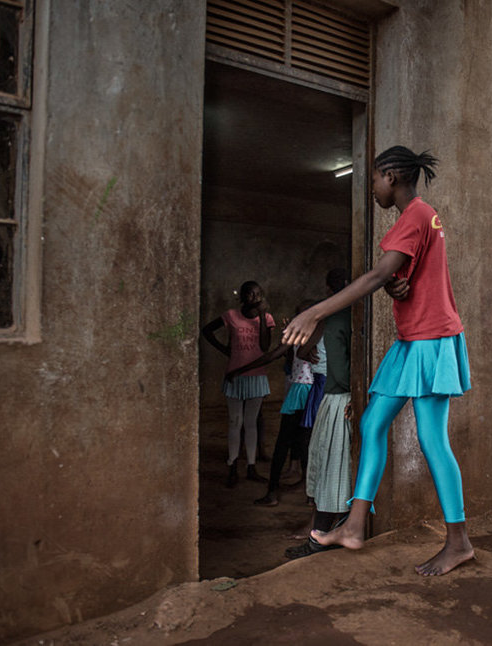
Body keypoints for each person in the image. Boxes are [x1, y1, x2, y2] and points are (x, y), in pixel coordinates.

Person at [282, 146, 474, 576]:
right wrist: (396, 287)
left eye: (373, 180)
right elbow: (398, 277)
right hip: (412, 339)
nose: (371, 189)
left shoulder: (415, 216)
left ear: (390, 176)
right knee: (370, 424)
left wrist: (316, 311)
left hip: (430, 339)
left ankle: (459, 542)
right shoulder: (421, 217)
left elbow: (375, 275)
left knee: (432, 440)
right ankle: (353, 525)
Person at [285, 268, 353, 559]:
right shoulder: (348, 316)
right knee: (334, 470)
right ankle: (323, 534)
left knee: (330, 471)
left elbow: (339, 372)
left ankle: (319, 539)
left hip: (337, 397)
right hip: (341, 397)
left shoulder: (334, 318)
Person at [202, 281, 274, 487]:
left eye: (258, 294)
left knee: (250, 423)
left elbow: (265, 346)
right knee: (235, 422)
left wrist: (261, 316)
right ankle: (232, 465)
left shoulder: (267, 318)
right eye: (250, 294)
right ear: (242, 297)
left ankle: (251, 467)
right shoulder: (231, 315)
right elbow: (207, 330)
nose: (255, 297)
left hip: (257, 376)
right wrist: (225, 350)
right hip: (234, 375)